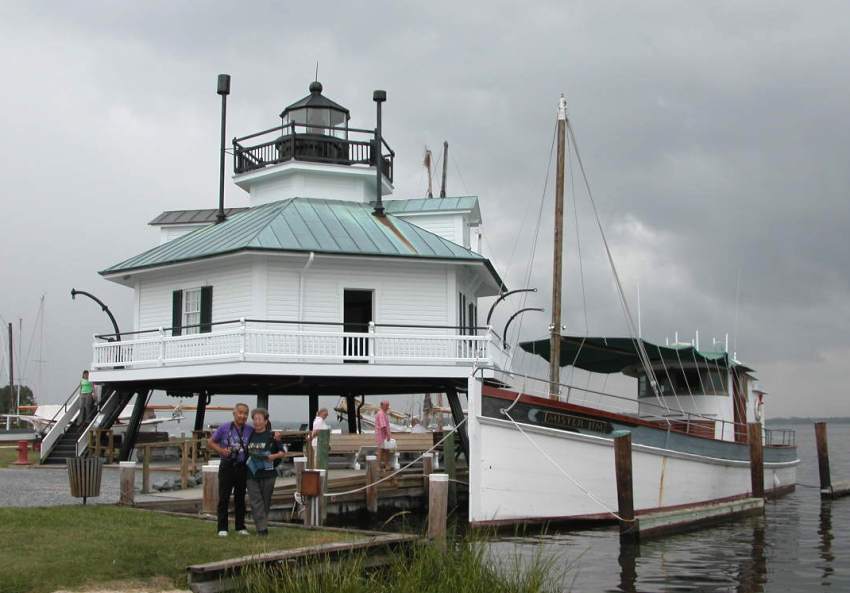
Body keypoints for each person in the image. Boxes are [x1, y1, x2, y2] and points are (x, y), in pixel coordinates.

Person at [208, 403, 253, 537]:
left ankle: (240, 526)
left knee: (240, 498)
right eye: (240, 412)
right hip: (227, 466)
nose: (243, 416)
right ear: (234, 413)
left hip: (242, 467)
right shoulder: (224, 428)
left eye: (245, 413)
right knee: (224, 497)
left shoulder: (250, 430)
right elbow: (210, 442)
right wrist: (221, 450)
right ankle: (222, 527)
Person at [246, 408, 286, 536]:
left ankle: (262, 525)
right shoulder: (249, 435)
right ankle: (262, 530)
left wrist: (273, 457)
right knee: (255, 501)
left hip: (268, 474)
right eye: (254, 419)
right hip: (251, 473)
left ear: (265, 421)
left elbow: (282, 452)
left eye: (259, 419)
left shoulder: (272, 436)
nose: (257, 422)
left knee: (265, 501)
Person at [374, 400, 393, 471]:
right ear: (382, 405)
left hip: (382, 435)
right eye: (386, 405)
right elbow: (383, 426)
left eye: (388, 405)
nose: (388, 407)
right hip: (381, 435)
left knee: (386, 450)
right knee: (381, 451)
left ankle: (386, 465)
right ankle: (378, 466)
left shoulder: (383, 413)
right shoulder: (381, 413)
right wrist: (388, 435)